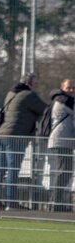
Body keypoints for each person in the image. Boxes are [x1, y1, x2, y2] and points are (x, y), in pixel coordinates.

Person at [0, 73, 47, 210]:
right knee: (13, 169)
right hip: (16, 136)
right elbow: (45, 109)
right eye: (35, 84)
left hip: (2, 134)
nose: (37, 87)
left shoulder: (11, 94)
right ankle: (11, 203)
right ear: (29, 84)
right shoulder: (29, 95)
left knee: (0, 169)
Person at [46, 79, 75, 212]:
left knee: (65, 172)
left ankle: (56, 202)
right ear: (62, 88)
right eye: (69, 87)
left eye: (73, 88)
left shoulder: (65, 100)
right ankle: (55, 203)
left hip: (64, 140)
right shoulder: (64, 101)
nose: (72, 90)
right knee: (63, 172)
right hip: (60, 140)